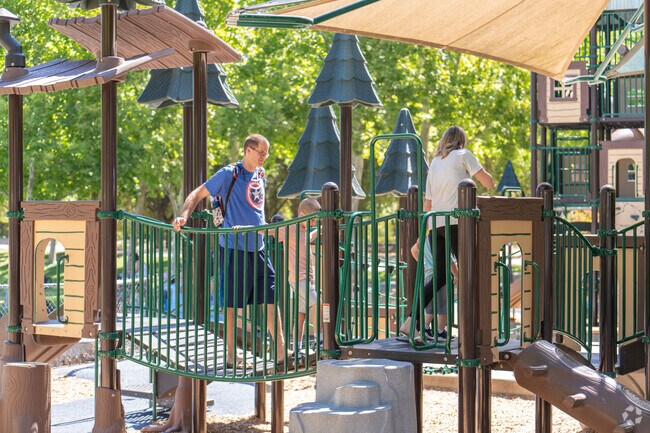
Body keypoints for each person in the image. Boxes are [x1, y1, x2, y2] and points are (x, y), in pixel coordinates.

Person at [172, 134, 290, 368]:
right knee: (232, 303)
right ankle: (230, 356)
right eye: (261, 153)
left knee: (270, 296)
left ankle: (281, 352)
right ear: (248, 150)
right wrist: (184, 215)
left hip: (259, 246)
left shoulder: (260, 175)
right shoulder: (228, 173)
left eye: (267, 153)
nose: (264, 157)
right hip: (234, 246)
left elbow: (256, 210)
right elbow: (197, 194)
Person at [400, 125, 494, 342]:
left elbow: (427, 204)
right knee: (470, 270)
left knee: (441, 276)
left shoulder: (434, 163)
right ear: (462, 140)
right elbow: (488, 183)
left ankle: (410, 321)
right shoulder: (463, 155)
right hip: (455, 222)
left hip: (435, 224)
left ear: (444, 141)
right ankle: (474, 331)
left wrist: (423, 233)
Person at [272, 198, 320, 356]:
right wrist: (246, 228)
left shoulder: (305, 230)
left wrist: (322, 228)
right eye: (312, 220)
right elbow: (270, 230)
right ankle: (322, 340)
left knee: (301, 315)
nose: (314, 223)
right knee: (319, 303)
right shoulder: (291, 229)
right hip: (299, 278)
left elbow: (309, 237)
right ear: (302, 214)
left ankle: (297, 349)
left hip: (307, 278)